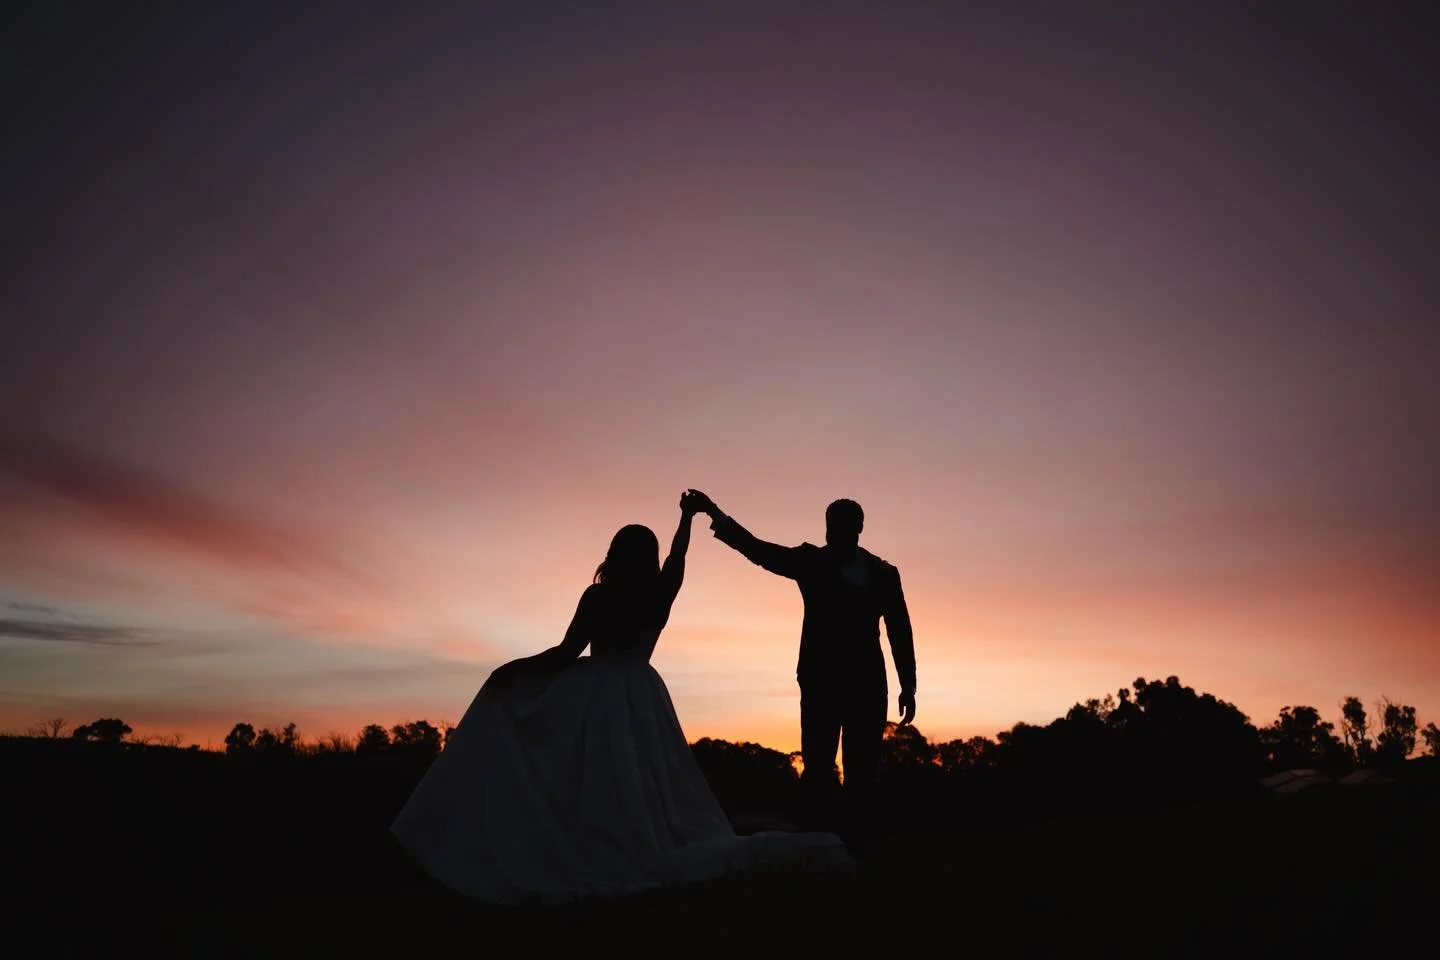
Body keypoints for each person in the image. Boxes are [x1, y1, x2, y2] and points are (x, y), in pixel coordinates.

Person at [389, 491, 850, 904]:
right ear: (646, 557)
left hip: (595, 695)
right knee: (642, 782)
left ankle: (590, 846)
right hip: (642, 694)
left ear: (613, 553)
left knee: (596, 779)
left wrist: (513, 669)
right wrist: (687, 518)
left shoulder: (598, 597)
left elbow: (565, 652)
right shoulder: (660, 591)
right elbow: (678, 560)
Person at [683, 491, 915, 848]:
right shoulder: (811, 562)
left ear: (858, 528)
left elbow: (900, 629)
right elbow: (759, 551)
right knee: (819, 767)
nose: (832, 534)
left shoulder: (884, 573)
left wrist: (908, 685)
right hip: (821, 679)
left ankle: (858, 846)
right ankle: (818, 844)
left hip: (867, 683)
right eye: (830, 527)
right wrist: (715, 513)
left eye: (840, 527)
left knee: (863, 770)